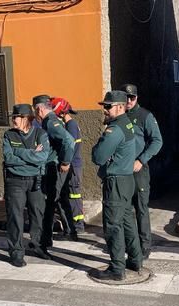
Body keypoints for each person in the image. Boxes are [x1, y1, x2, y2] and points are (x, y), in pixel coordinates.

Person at [90, 90, 144, 281]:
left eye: (107, 106)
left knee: (113, 224)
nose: (104, 110)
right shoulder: (128, 124)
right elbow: (138, 145)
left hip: (116, 181)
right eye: (104, 106)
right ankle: (136, 259)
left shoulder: (115, 129)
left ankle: (116, 268)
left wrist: (98, 147)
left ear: (120, 107)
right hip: (127, 178)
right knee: (128, 220)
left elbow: (98, 156)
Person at [2, 104, 51, 267]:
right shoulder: (9, 135)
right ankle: (16, 252)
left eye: (16, 117)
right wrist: (31, 154)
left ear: (26, 118)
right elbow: (8, 159)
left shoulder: (40, 134)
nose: (13, 120)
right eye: (13, 117)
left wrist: (19, 153)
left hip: (35, 179)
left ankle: (38, 246)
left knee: (38, 214)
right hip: (15, 181)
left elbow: (42, 157)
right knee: (15, 216)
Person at [120, 84, 163, 261]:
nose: (129, 101)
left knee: (140, 208)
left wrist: (142, 159)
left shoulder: (145, 116)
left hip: (138, 169)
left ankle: (145, 245)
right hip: (122, 170)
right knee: (124, 208)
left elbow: (157, 141)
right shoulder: (119, 116)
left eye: (132, 97)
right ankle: (126, 243)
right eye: (126, 98)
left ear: (137, 98)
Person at [32, 94, 76, 251]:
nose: (34, 114)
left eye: (34, 110)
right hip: (51, 166)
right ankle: (46, 239)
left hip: (52, 167)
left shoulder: (50, 122)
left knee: (48, 204)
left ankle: (45, 241)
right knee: (52, 202)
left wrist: (65, 161)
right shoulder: (50, 121)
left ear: (39, 109)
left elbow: (69, 141)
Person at [51, 96, 85, 237]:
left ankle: (77, 225)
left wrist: (66, 163)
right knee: (70, 194)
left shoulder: (70, 126)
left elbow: (70, 147)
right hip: (73, 165)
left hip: (72, 166)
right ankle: (74, 224)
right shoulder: (70, 124)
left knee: (73, 195)